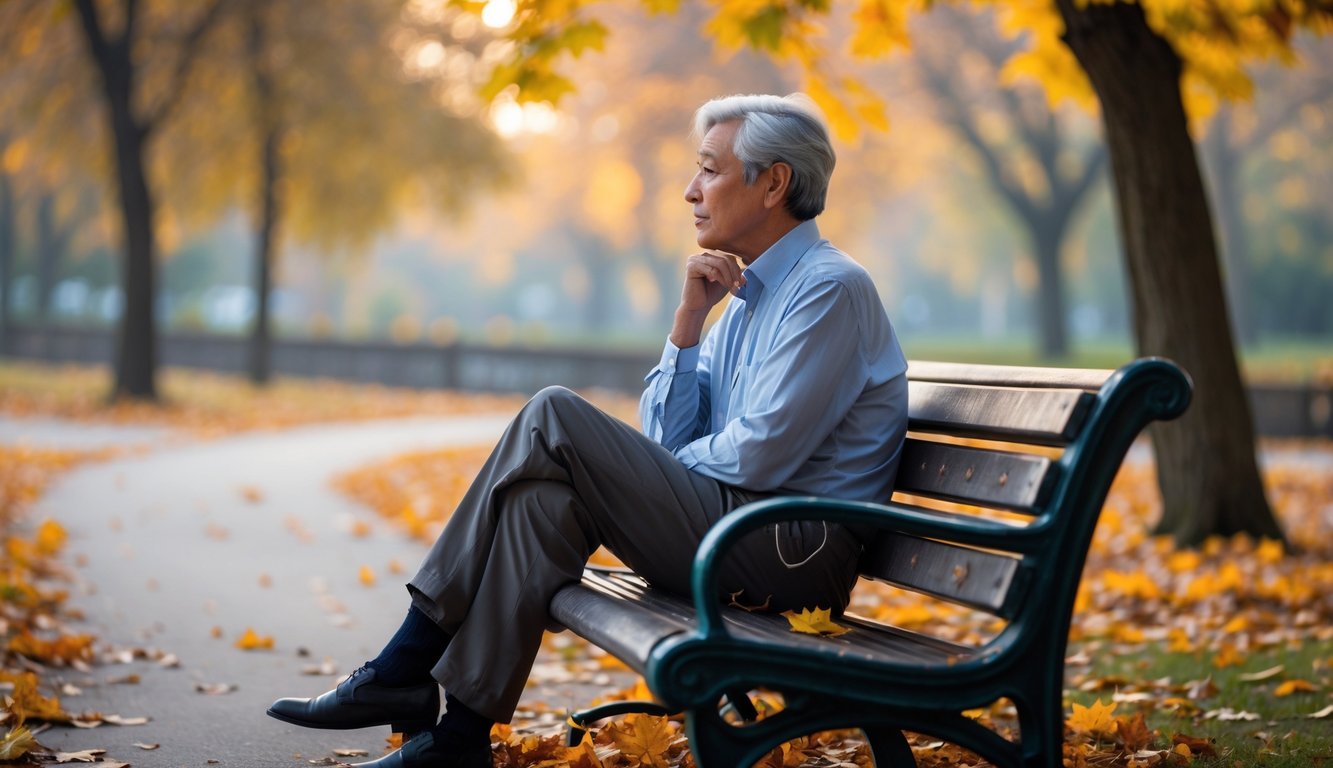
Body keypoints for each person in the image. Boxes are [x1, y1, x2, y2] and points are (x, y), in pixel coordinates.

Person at [266, 93, 908, 768]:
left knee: (554, 412)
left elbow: (760, 454)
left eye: (709, 171)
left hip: (790, 552)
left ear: (773, 182)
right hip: (738, 530)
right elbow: (666, 441)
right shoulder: (745, 300)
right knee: (542, 503)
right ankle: (456, 742)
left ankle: (404, 661)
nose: (690, 191)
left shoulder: (828, 289)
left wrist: (656, 469)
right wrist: (687, 325)